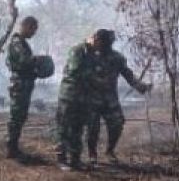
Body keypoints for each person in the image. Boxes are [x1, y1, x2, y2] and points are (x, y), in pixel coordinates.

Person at [57, 29, 150, 170]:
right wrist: (98, 82)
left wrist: (140, 86)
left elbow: (127, 74)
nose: (105, 47)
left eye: (108, 44)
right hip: (89, 98)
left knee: (117, 123)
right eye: (103, 44)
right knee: (90, 128)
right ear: (97, 41)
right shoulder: (86, 54)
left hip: (109, 99)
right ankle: (89, 155)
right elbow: (78, 73)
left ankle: (109, 150)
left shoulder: (116, 58)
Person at [5, 16, 40, 160]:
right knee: (17, 116)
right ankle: (11, 148)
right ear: (26, 26)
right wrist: (37, 60)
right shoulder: (17, 42)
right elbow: (24, 61)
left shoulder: (22, 43)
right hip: (20, 84)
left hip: (24, 84)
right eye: (33, 29)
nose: (34, 33)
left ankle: (13, 147)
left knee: (20, 116)